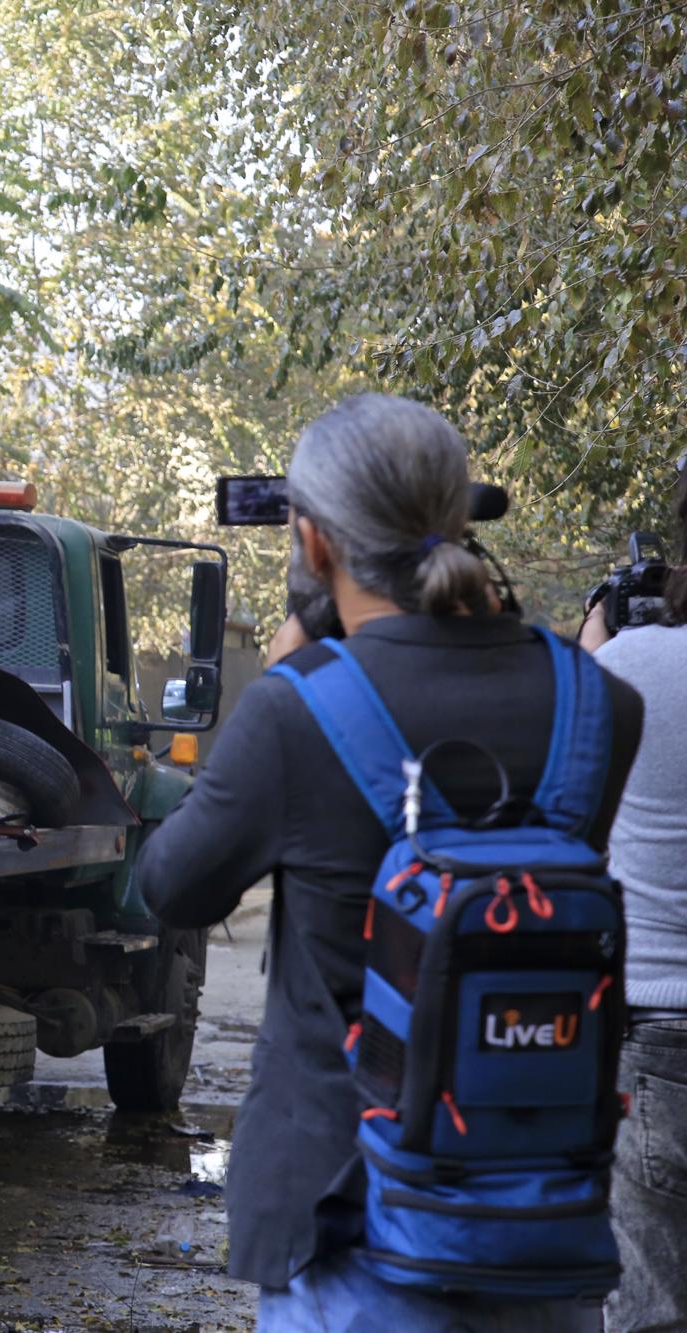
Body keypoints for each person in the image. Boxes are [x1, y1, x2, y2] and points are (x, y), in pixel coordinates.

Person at [135, 393, 642, 1329]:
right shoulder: (599, 705)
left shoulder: (295, 709)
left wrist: (283, 682)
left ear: (315, 544)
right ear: (457, 522)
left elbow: (169, 886)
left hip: (346, 1228)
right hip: (541, 1223)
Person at [580, 463, 687, 1333]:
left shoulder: (629, 666)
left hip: (657, 1035)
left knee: (649, 1311)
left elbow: (558, 804)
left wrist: (593, 641)